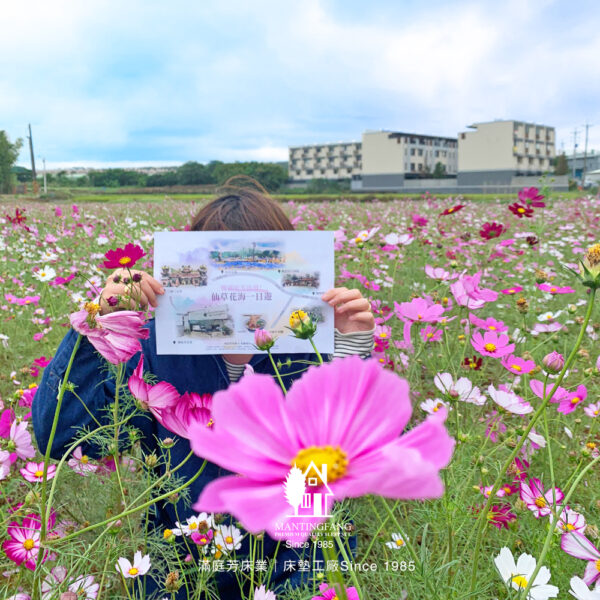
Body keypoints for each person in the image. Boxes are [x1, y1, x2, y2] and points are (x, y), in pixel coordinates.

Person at [33, 179, 375, 598]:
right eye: (223, 274)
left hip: (292, 572)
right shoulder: (156, 350)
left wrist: (353, 347)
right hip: (178, 576)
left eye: (264, 272)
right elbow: (58, 433)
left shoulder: (310, 353)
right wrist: (101, 323)